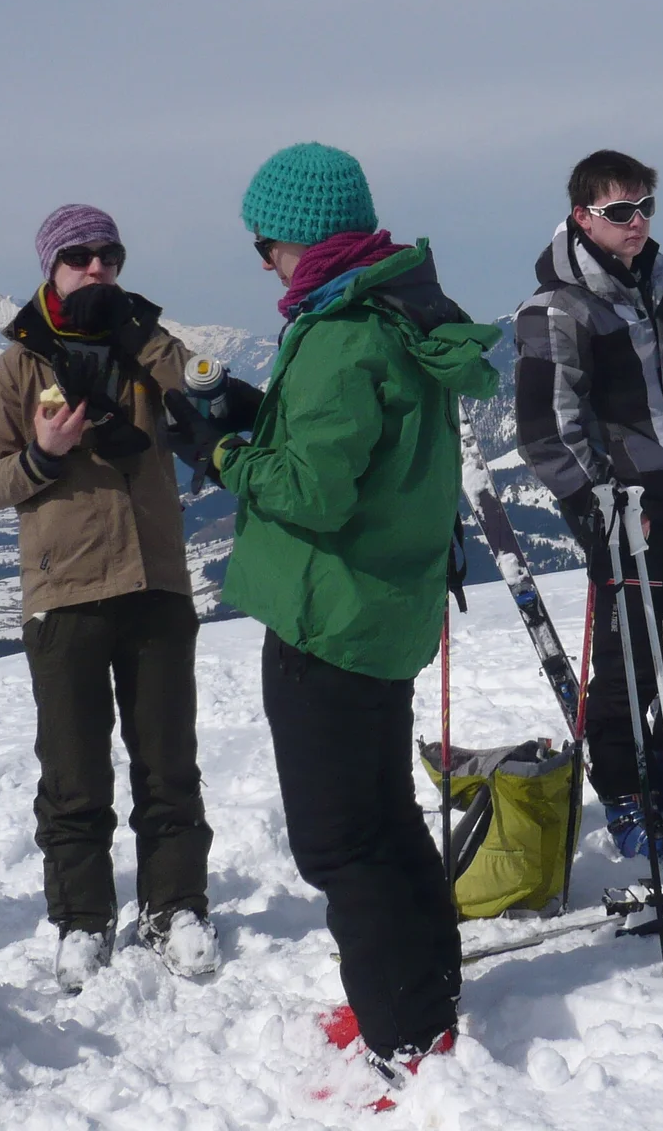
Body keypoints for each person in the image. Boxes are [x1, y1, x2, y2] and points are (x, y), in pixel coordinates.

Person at [184, 142, 497, 1086]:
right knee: (384, 819)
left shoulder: (340, 334)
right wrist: (256, 412)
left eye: (265, 244)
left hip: (331, 619)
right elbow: (357, 449)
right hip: (382, 613)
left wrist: (218, 454)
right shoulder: (390, 312)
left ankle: (400, 1039)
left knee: (338, 841)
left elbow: (313, 494)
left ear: (304, 238)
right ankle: (423, 1002)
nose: (264, 261)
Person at [0, 203, 217, 993]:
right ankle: (82, 920)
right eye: (79, 256)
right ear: (50, 266)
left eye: (108, 254)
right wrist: (43, 457)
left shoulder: (148, 344)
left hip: (154, 580)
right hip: (65, 589)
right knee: (73, 775)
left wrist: (138, 337)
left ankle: (174, 906)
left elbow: (204, 392)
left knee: (168, 761)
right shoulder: (18, 368)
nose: (96, 267)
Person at [512, 149, 663, 864]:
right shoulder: (558, 309)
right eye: (620, 210)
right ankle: (623, 794)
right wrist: (596, 509)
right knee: (628, 668)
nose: (637, 221)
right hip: (630, 517)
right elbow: (545, 428)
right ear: (583, 216)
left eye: (645, 205)